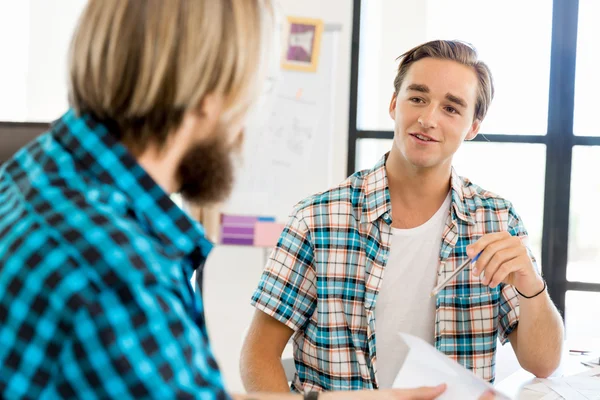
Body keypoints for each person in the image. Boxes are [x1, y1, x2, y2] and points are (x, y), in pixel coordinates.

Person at [0, 1, 467, 399]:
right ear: (208, 95)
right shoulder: (119, 276)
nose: (248, 123)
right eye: (254, 90)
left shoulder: (36, 171)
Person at [242, 40, 564, 393]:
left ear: (473, 126)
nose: (428, 119)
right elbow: (258, 355)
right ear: (395, 104)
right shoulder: (318, 219)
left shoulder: (496, 220)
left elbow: (543, 363)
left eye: (451, 108)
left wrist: (531, 283)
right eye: (417, 98)